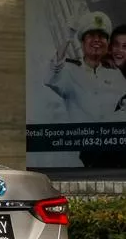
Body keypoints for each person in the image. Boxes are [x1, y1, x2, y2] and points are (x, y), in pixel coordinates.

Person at [43, 11, 126, 168]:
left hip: (116, 148)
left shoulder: (116, 75)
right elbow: (51, 75)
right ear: (82, 42)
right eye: (91, 35)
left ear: (107, 43)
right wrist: (67, 37)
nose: (96, 40)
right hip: (85, 153)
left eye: (101, 36)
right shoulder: (69, 71)